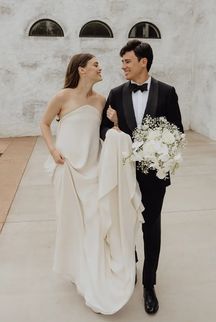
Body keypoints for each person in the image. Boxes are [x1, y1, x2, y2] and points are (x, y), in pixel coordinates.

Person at [40, 53, 143, 314]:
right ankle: (77, 269)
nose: (101, 68)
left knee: (96, 222)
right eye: (96, 65)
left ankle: (94, 272)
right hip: (67, 169)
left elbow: (106, 133)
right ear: (81, 69)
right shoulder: (62, 96)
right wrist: (52, 150)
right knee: (72, 223)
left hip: (93, 169)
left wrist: (116, 122)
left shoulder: (101, 100)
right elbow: (44, 123)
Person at [100, 40, 184, 314]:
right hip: (123, 174)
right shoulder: (114, 93)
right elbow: (104, 131)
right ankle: (129, 266)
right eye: (122, 61)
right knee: (125, 222)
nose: (122, 66)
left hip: (153, 175)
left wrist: (159, 150)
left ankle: (149, 283)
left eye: (127, 61)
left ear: (143, 62)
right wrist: (115, 132)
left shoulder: (167, 92)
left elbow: (177, 132)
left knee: (151, 226)